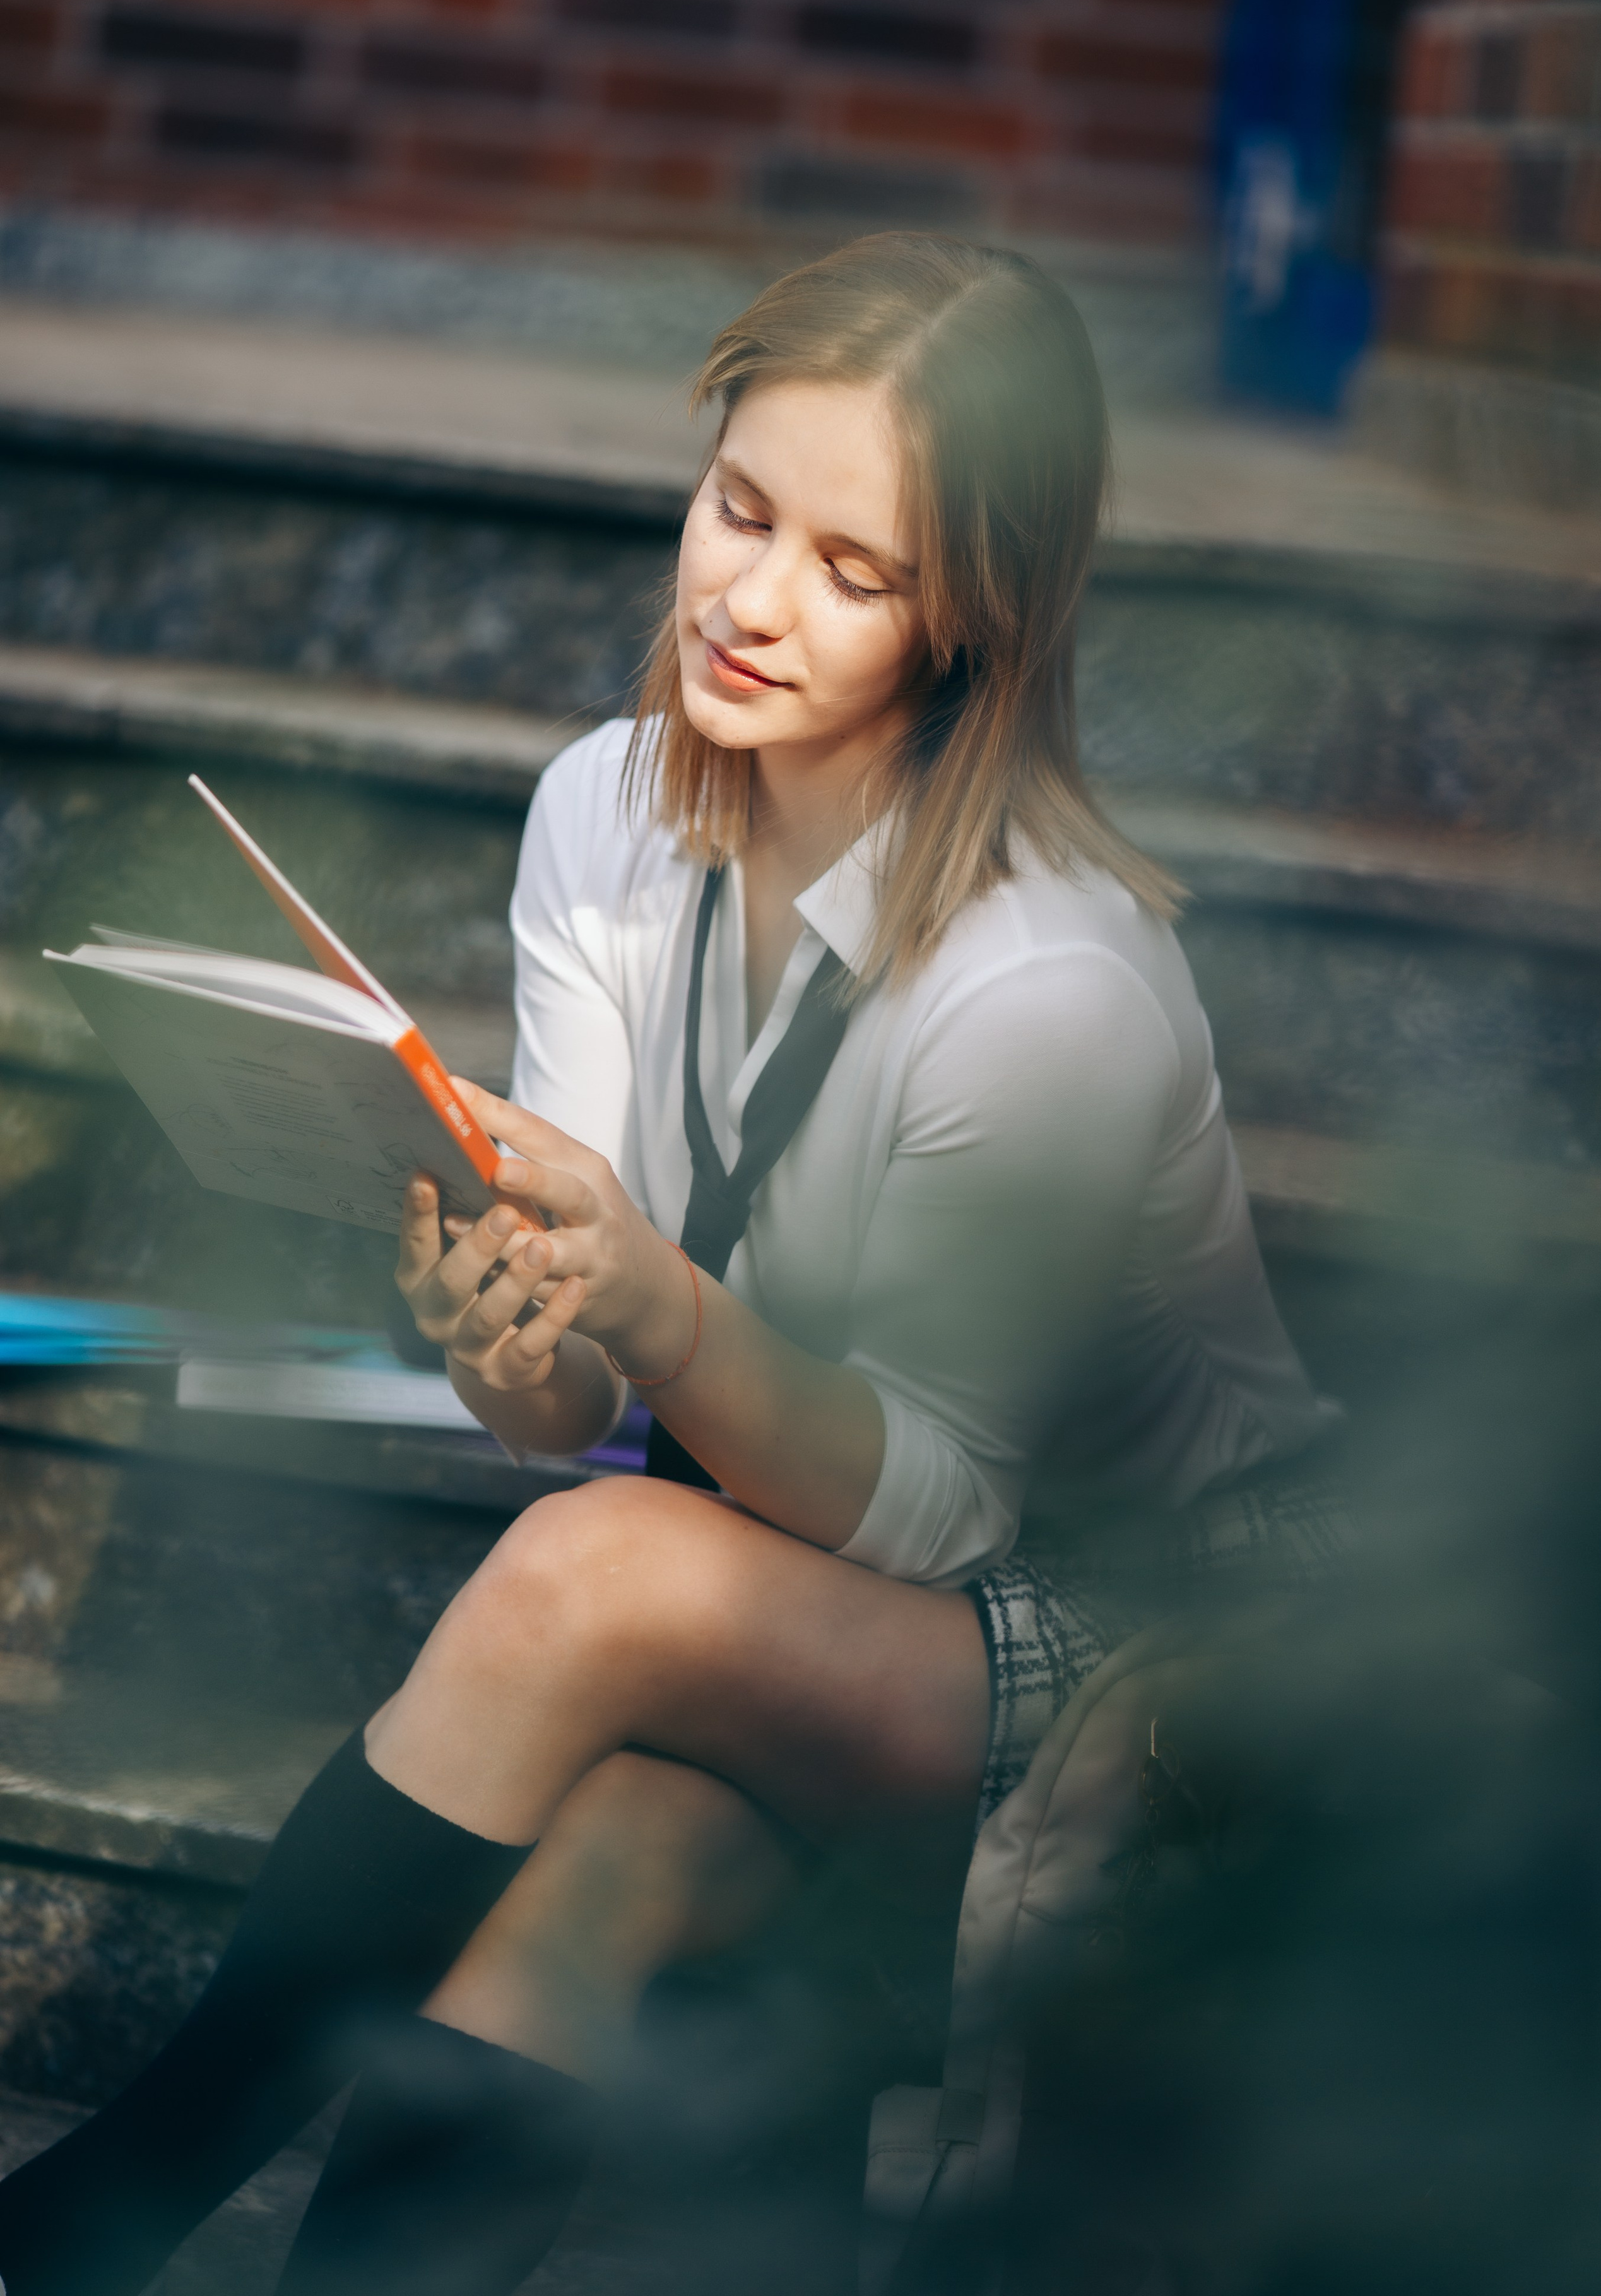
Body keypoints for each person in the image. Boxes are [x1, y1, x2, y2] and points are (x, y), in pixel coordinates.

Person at [0, 234, 1328, 2296]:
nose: (749, 596)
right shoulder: (608, 816)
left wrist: (659, 1315)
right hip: (791, 1588)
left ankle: (86, 2220)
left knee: (591, 1581)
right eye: (740, 507)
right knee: (594, 1859)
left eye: (853, 569)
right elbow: (578, 1414)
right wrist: (508, 1330)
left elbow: (944, 1501)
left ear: (974, 618)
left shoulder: (1051, 982)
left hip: (1135, 1643)